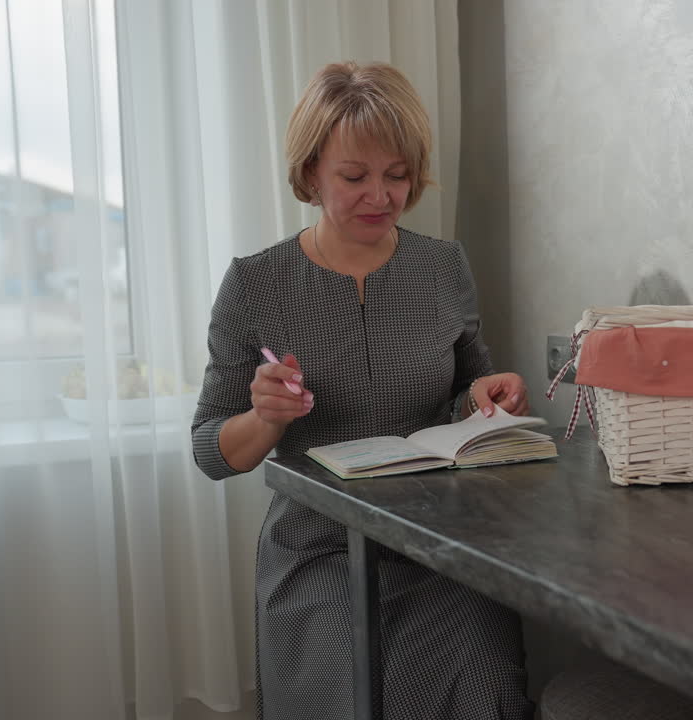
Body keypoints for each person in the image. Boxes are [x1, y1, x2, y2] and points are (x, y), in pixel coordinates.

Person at [191, 61, 533, 720]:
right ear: (312, 172)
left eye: (397, 175)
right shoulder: (255, 284)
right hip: (319, 551)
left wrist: (489, 394)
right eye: (354, 176)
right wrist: (265, 418)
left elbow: (469, 386)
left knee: (484, 656)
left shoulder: (442, 266)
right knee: (347, 674)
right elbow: (210, 452)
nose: (380, 195)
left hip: (440, 546)